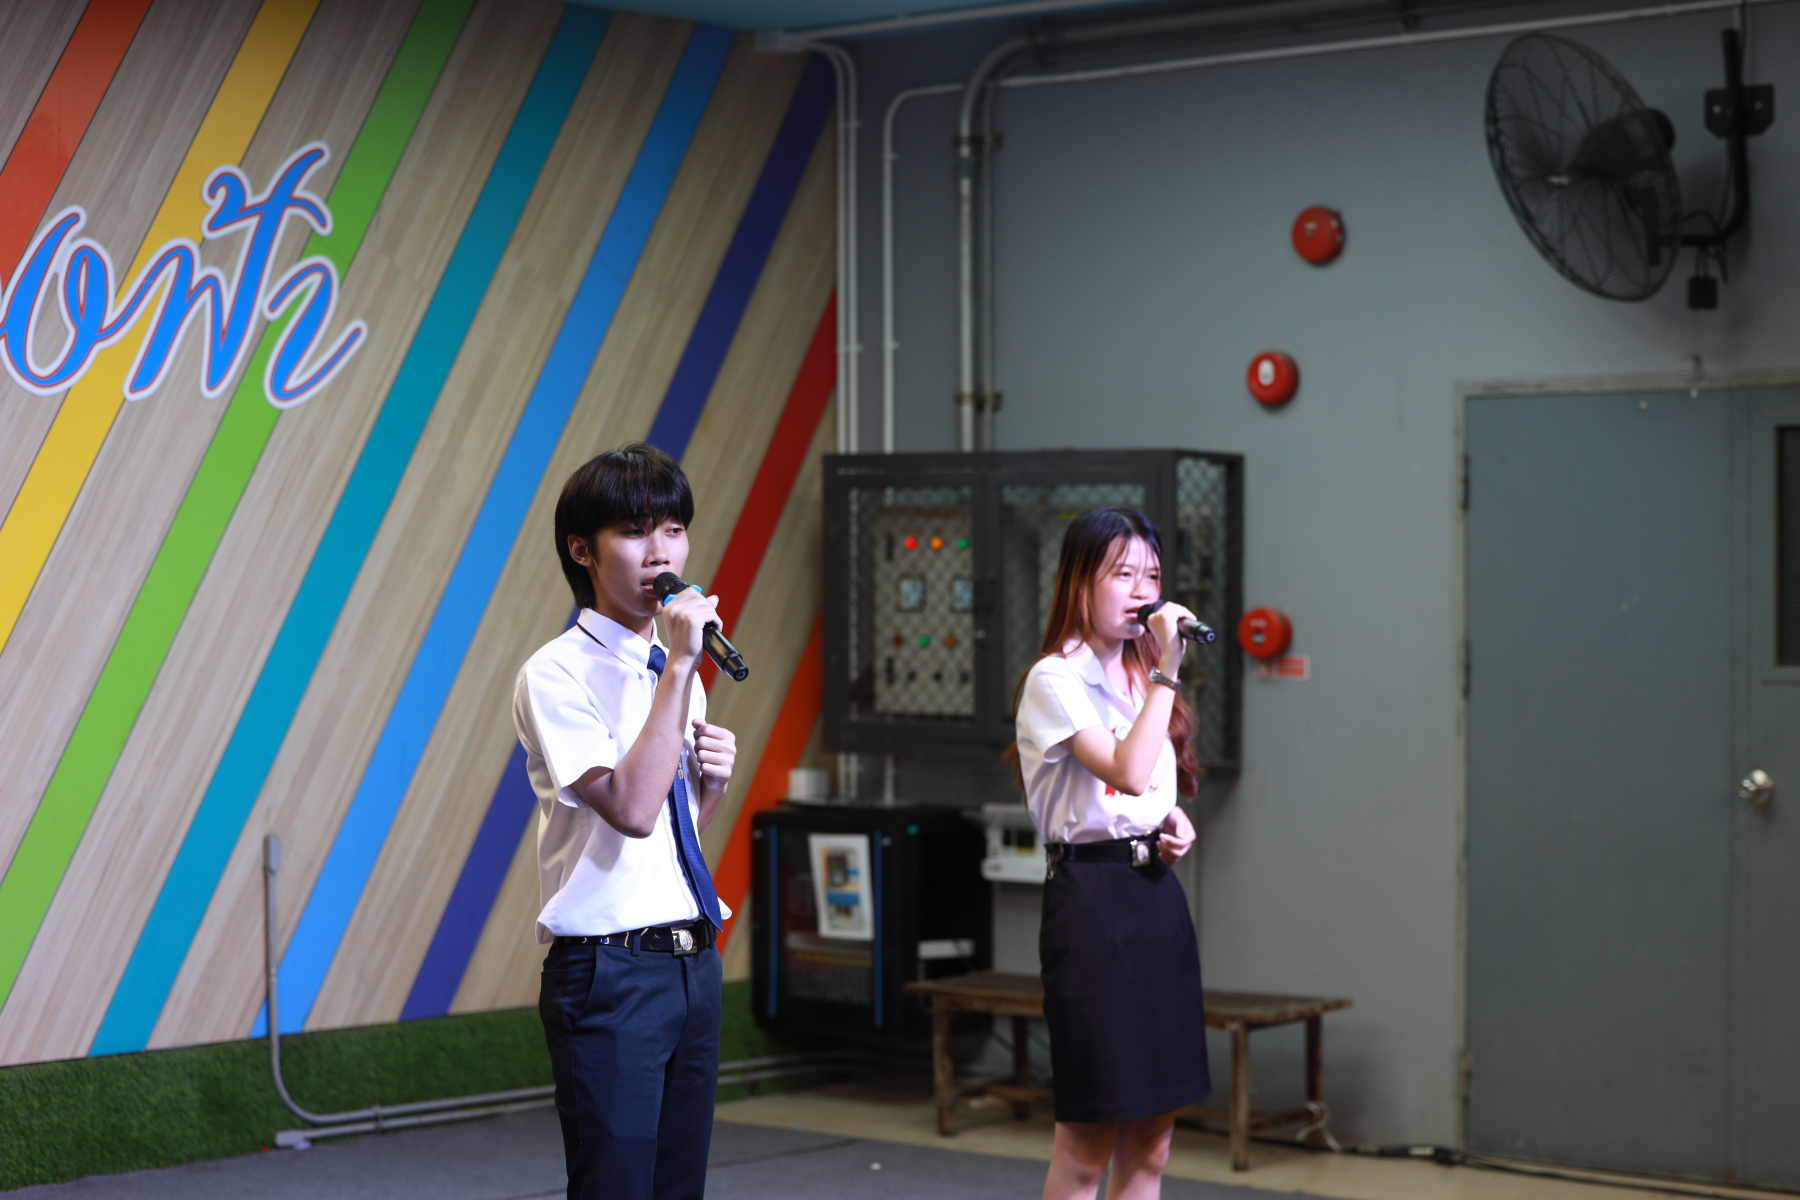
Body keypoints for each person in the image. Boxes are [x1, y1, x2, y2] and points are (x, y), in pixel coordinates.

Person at [513, 443, 738, 1200]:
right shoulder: (556, 673)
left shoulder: (674, 670)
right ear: (583, 550)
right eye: (636, 532)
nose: (661, 552)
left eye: (673, 529)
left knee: (679, 1189)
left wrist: (709, 789)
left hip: (692, 961)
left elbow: (670, 837)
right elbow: (632, 812)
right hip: (608, 971)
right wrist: (680, 665)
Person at [1012, 506, 1211, 1200]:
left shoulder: (1141, 673)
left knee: (1154, 1142)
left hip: (1154, 901)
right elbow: (1124, 770)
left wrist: (1169, 819)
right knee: (1088, 1142)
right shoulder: (1054, 680)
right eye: (1123, 574)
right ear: (1080, 583)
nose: (1142, 592)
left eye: (1152, 576)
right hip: (1092, 908)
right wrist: (1169, 671)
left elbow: (1144, 787)